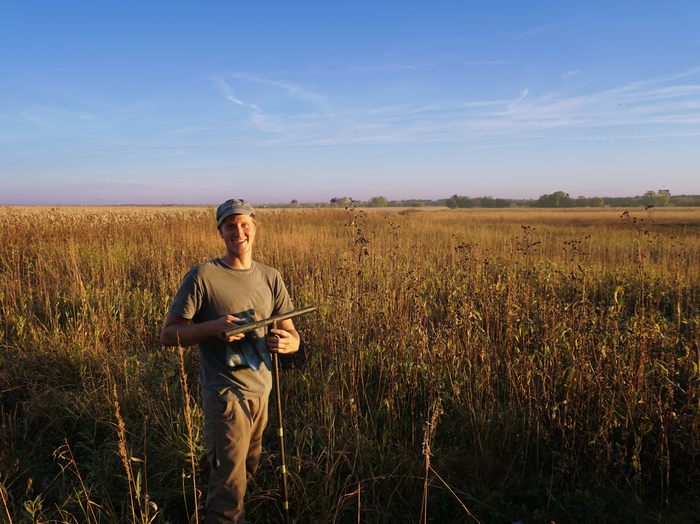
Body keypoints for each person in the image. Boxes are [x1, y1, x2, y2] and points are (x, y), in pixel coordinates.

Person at [160, 198, 299, 524]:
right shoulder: (203, 276)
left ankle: (221, 514)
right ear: (220, 231)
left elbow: (292, 334)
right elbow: (168, 335)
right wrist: (214, 328)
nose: (239, 231)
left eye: (244, 224)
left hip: (261, 392)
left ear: (254, 227)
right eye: (230, 225)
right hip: (225, 396)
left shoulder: (270, 277)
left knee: (244, 472)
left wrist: (286, 343)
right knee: (229, 482)